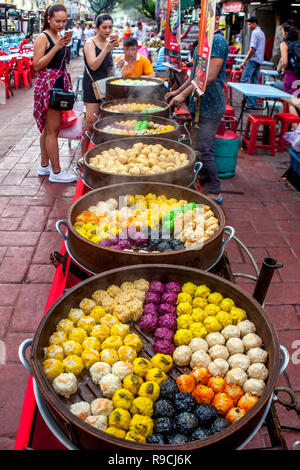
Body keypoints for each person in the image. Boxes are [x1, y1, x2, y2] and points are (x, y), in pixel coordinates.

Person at [165, 6, 228, 204]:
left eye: (206, 17)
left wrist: (183, 94)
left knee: (204, 148)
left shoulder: (217, 41)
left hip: (210, 105)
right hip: (199, 104)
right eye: (201, 17)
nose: (202, 20)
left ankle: (214, 191)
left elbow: (208, 76)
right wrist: (177, 92)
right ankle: (201, 182)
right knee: (198, 146)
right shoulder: (205, 41)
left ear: (217, 18)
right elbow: (195, 75)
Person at [33, 4, 77, 183]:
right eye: (57, 21)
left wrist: (61, 44)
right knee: (52, 130)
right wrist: (56, 47)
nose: (61, 24)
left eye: (64, 21)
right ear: (48, 19)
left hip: (58, 84)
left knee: (47, 129)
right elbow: (37, 65)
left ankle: (44, 166)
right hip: (49, 87)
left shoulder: (59, 36)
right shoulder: (43, 37)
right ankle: (57, 173)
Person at [81, 13, 118, 156]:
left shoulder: (108, 43)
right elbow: (93, 65)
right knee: (90, 122)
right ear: (97, 28)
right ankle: (83, 155)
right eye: (104, 27)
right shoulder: (90, 43)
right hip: (92, 85)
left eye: (110, 27)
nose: (108, 31)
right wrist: (106, 49)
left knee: (104, 121)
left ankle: (99, 152)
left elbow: (107, 67)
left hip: (105, 86)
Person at [240, 17, 266, 110]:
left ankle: (248, 103)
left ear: (254, 23)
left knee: (244, 80)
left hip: (253, 59)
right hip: (259, 60)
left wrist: (244, 61)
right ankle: (252, 103)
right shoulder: (262, 33)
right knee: (254, 82)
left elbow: (252, 48)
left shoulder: (255, 33)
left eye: (250, 24)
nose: (249, 26)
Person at [277, 21, 300, 118]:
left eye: (282, 31)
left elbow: (285, 62)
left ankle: (295, 130)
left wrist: (282, 70)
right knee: (297, 99)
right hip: (299, 75)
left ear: (286, 33)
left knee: (291, 101)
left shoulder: (284, 44)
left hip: (290, 76)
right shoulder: (298, 43)